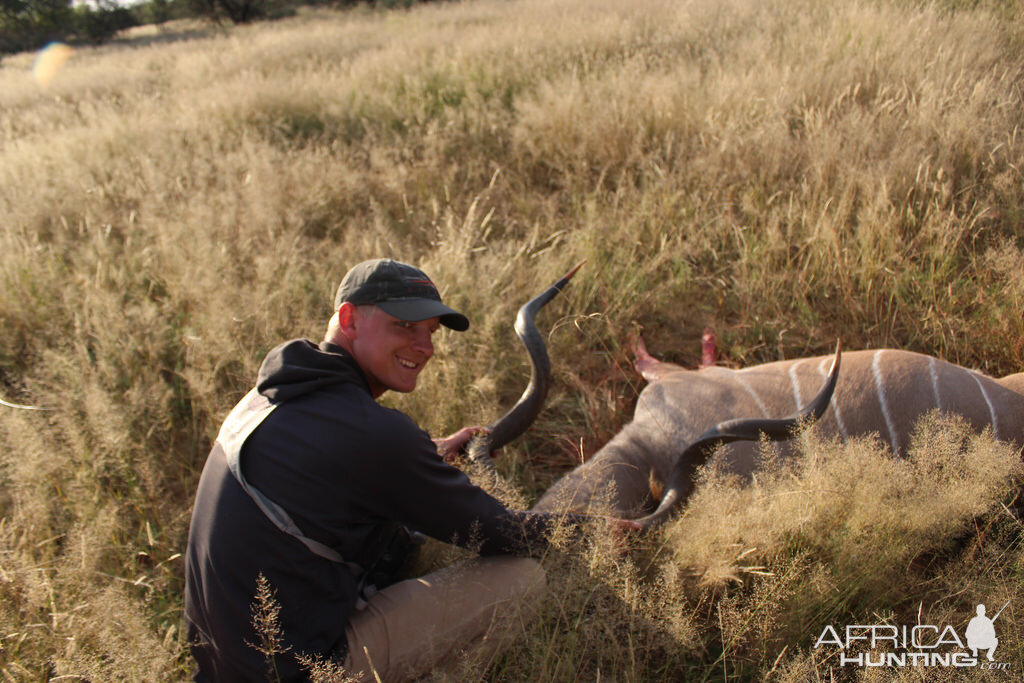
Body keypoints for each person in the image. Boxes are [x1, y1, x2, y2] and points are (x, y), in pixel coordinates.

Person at [184, 258, 568, 683]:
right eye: (405, 326)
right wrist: (604, 529)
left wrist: (431, 452)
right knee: (522, 580)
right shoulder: (374, 436)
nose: (425, 347)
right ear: (348, 319)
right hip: (303, 673)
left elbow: (337, 462)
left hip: (221, 669)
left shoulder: (266, 398)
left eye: (430, 333)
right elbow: (505, 532)